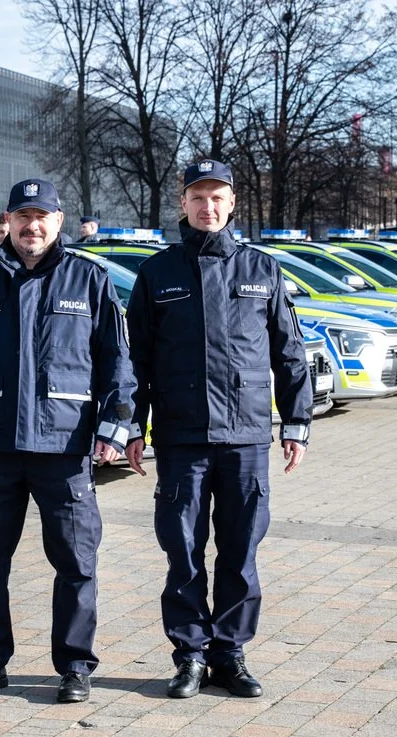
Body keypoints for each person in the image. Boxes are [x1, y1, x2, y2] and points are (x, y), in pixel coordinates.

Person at [0, 178, 135, 704]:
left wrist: (115, 430)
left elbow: (117, 362)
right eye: (23, 216)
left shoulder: (88, 278)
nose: (32, 226)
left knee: (76, 562)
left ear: (58, 220)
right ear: (9, 220)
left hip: (65, 449)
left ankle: (74, 666)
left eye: (42, 216)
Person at [124, 160, 312, 700]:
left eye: (217, 198)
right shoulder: (157, 274)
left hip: (247, 438)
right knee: (182, 551)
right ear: (182, 204)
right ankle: (189, 657)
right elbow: (135, 361)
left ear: (232, 205)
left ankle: (229, 654)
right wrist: (132, 426)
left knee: (240, 551)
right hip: (183, 439)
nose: (207, 207)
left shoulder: (262, 270)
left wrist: (296, 423)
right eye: (197, 197)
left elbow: (290, 353)